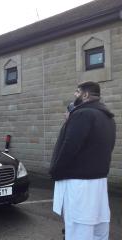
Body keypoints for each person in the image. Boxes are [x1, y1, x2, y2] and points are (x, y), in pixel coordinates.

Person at [50, 81, 116, 240]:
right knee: (97, 226)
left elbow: (70, 146)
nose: (75, 95)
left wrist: (55, 170)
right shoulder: (107, 117)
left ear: (85, 94)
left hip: (78, 184)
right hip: (98, 181)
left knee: (79, 228)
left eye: (77, 91)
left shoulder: (82, 114)